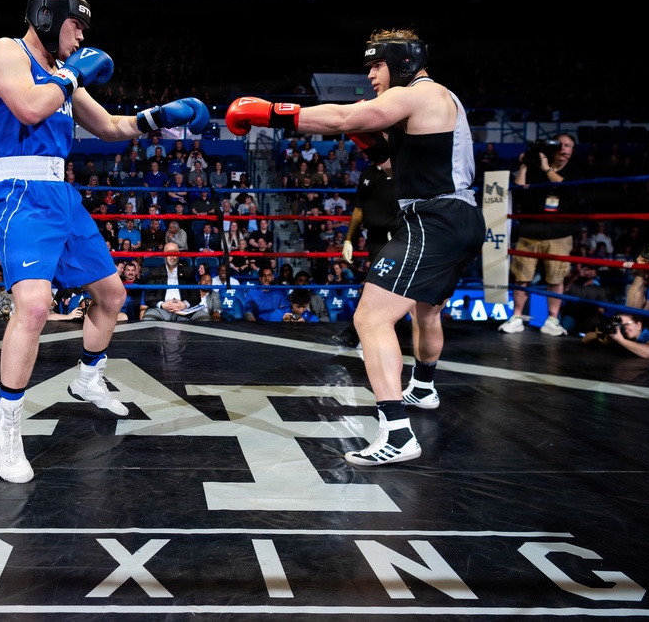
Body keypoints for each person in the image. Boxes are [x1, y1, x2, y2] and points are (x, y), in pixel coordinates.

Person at [0, 0, 209, 483]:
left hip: (60, 192)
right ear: (47, 16)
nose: (82, 35)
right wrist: (72, 74)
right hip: (17, 190)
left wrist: (160, 116)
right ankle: (8, 425)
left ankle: (88, 378)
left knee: (112, 295)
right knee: (35, 307)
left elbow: (109, 128)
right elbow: (29, 109)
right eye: (76, 23)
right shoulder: (6, 52)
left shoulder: (66, 76)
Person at [226, 27, 485, 466]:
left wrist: (269, 112)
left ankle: (397, 434)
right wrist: (371, 146)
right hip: (456, 217)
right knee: (427, 310)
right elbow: (393, 163)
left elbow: (345, 118)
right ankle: (422, 386)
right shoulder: (433, 103)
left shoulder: (421, 94)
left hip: (435, 219)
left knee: (371, 316)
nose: (370, 76)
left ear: (402, 63)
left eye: (376, 66)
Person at [497, 132, 581, 336]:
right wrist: (525, 164)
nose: (563, 148)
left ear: (572, 150)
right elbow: (519, 188)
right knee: (521, 277)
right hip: (530, 231)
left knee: (556, 278)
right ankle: (517, 316)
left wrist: (547, 169)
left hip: (559, 234)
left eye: (568, 145)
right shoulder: (535, 166)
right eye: (559, 144)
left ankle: (552, 319)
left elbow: (568, 190)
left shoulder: (577, 170)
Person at [140, 242, 208, 322]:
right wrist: (162, 305)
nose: (172, 256)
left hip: (184, 311)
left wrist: (184, 304)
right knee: (148, 318)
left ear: (179, 254)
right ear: (164, 255)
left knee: (204, 318)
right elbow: (148, 296)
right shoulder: (155, 272)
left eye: (174, 253)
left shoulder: (188, 271)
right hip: (161, 310)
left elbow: (196, 295)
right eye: (169, 253)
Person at [582, 313, 649, 361]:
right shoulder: (621, 335)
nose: (624, 328)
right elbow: (585, 339)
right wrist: (603, 334)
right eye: (620, 325)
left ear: (639, 325)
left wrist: (620, 340)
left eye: (626, 324)